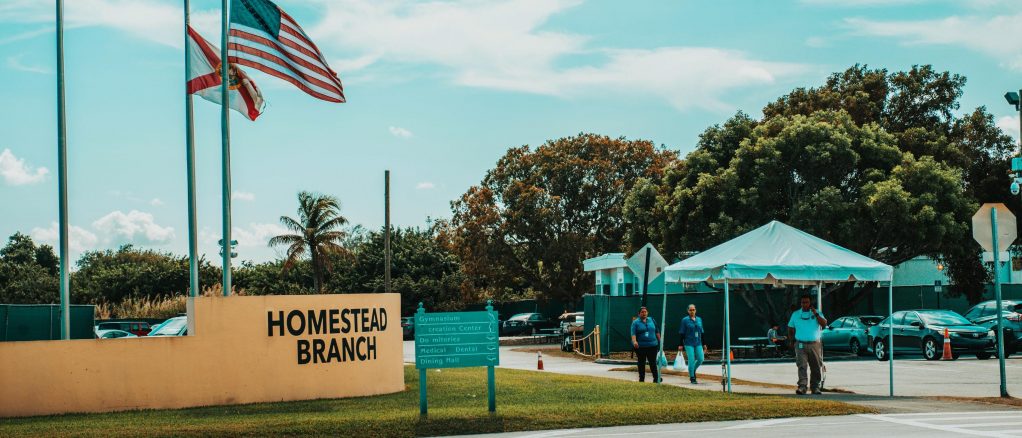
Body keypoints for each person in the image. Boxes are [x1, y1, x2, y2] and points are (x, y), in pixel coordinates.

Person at [787, 295, 827, 395]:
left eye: (806, 302)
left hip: (815, 344)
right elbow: (790, 328)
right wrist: (792, 340)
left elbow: (824, 324)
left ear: (810, 303)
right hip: (800, 344)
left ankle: (815, 387)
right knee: (802, 366)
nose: (804, 304)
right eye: (802, 302)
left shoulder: (816, 313)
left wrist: (816, 314)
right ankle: (802, 387)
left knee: (816, 366)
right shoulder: (796, 314)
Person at [630, 306, 661, 383]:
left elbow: (657, 331)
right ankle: (641, 379)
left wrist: (660, 341)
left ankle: (656, 378)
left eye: (645, 312)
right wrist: (634, 342)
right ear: (639, 314)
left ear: (647, 313)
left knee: (653, 362)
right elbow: (633, 334)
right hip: (641, 347)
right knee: (641, 363)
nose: (644, 313)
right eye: (642, 312)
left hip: (653, 345)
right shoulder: (635, 322)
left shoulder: (652, 320)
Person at [678, 304, 705, 384]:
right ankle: (692, 377)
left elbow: (702, 332)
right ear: (688, 311)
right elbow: (682, 332)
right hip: (688, 342)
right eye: (690, 310)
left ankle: (692, 370)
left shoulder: (699, 319)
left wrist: (704, 343)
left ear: (695, 310)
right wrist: (680, 344)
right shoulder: (685, 320)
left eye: (693, 310)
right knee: (691, 359)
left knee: (700, 359)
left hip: (698, 342)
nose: (692, 311)